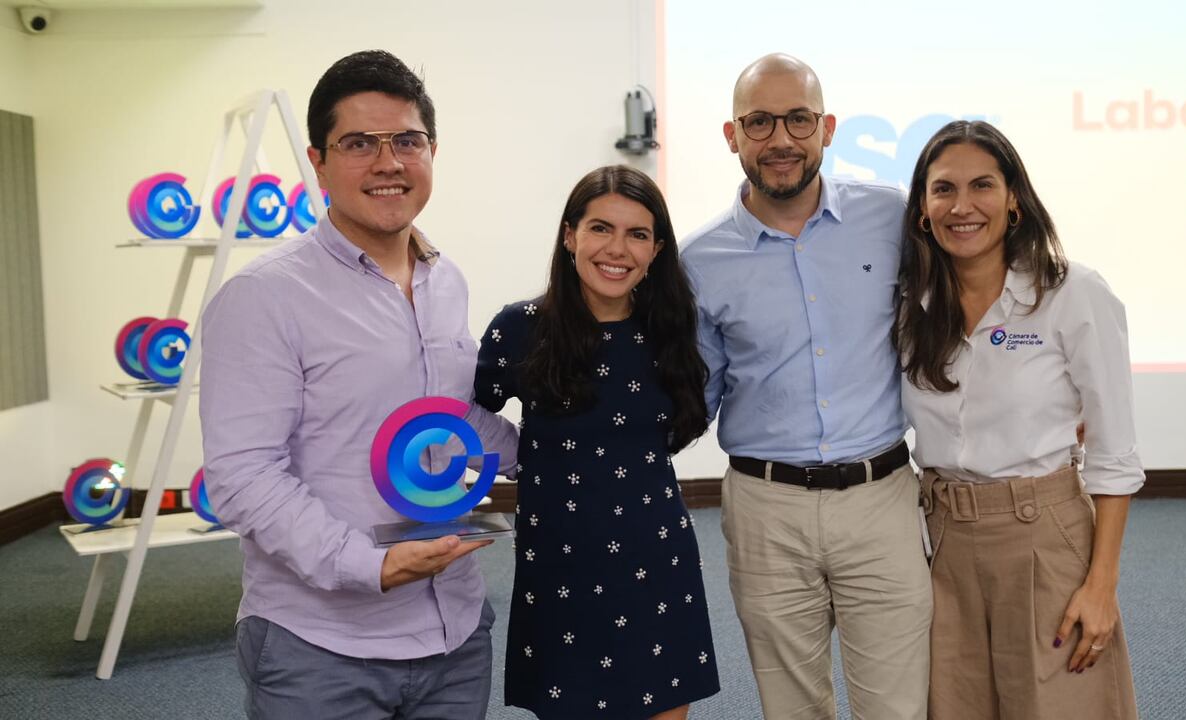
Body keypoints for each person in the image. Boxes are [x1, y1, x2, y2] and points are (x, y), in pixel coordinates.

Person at [200, 50, 517, 719]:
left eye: (407, 141)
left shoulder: (445, 280)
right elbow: (243, 477)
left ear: (432, 152)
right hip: (323, 648)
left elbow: (451, 416)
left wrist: (562, 449)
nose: (388, 162)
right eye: (359, 143)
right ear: (318, 163)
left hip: (456, 630)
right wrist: (368, 565)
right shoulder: (264, 296)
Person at [680, 54, 931, 720]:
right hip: (765, 509)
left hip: (881, 500)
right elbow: (693, 394)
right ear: (732, 136)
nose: (781, 139)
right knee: (792, 709)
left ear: (828, 128)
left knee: (898, 709)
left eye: (798, 119)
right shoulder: (698, 260)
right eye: (759, 122)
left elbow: (958, 312)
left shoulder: (892, 217)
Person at [895, 120, 1142, 719]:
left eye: (982, 185)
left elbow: (1114, 453)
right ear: (923, 210)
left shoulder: (1073, 293)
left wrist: (1101, 585)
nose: (962, 206)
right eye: (943, 189)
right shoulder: (909, 306)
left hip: (1043, 537)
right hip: (942, 544)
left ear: (1014, 201)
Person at [474, 165, 720, 720]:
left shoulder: (672, 328)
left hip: (657, 552)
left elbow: (680, 424)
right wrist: (518, 456)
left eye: (638, 234)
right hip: (561, 560)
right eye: (600, 228)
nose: (618, 249)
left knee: (662, 704)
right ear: (570, 236)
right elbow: (464, 414)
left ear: (657, 250)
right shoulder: (520, 328)